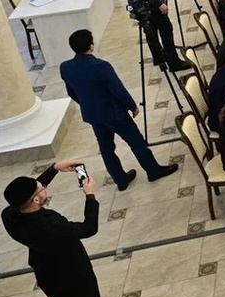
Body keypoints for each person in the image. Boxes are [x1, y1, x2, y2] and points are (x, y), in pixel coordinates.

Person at [2, 162, 130, 297]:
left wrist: (54, 168)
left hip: (46, 274)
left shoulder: (10, 216)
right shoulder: (52, 225)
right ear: (36, 200)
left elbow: (32, 192)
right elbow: (89, 228)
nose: (43, 187)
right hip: (75, 274)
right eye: (40, 188)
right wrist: (90, 195)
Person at [59, 29, 178, 190]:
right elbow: (117, 89)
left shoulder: (65, 67)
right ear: (91, 46)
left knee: (106, 148)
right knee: (136, 142)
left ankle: (120, 179)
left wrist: (88, 104)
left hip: (93, 115)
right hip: (114, 114)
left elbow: (71, 92)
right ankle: (153, 170)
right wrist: (132, 106)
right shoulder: (101, 66)